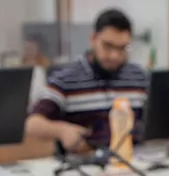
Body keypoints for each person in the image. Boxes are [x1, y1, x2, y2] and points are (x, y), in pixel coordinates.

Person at [24, 9, 148, 152]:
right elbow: (31, 124)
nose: (114, 55)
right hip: (84, 164)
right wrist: (62, 131)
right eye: (108, 46)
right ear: (93, 39)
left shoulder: (139, 77)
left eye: (122, 48)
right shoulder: (66, 79)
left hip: (133, 162)